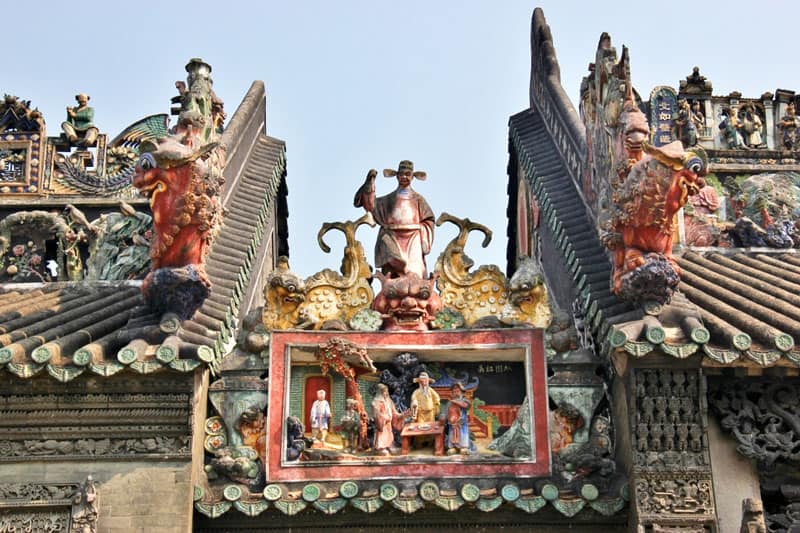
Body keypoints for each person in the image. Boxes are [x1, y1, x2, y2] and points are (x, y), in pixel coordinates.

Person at [353, 160, 435, 278]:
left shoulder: (419, 200)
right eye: (401, 174)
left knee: (415, 275)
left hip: (414, 238)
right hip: (392, 237)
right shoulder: (387, 200)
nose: (404, 177)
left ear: (413, 177)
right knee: (392, 273)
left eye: (408, 174)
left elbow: (429, 219)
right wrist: (370, 183)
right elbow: (371, 205)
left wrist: (424, 238)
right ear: (396, 176)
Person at [372, 383, 402, 455]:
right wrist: (384, 417)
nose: (386, 393)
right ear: (380, 392)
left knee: (389, 434)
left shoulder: (389, 401)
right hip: (382, 423)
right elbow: (376, 414)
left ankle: (389, 446)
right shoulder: (376, 402)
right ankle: (380, 448)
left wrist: (403, 415)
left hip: (388, 423)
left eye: (387, 391)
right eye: (384, 391)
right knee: (381, 434)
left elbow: (395, 413)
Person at [445, 383, 472, 455]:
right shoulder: (450, 403)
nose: (456, 393)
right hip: (452, 423)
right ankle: (453, 447)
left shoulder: (465, 401)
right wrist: (447, 419)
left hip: (461, 423)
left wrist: (456, 402)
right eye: (454, 392)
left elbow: (466, 406)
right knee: (452, 435)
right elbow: (446, 413)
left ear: (462, 392)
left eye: (457, 391)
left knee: (463, 435)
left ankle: (463, 447)